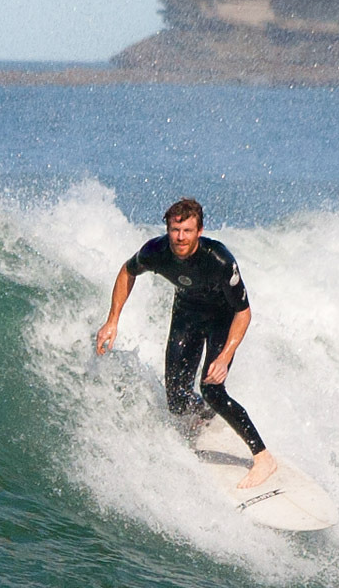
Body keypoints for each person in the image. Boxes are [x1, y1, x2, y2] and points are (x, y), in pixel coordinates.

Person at [95, 198, 278, 489]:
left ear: (200, 231)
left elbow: (244, 312)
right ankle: (204, 415)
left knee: (212, 388)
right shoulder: (156, 251)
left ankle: (263, 457)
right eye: (175, 230)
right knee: (176, 399)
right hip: (187, 314)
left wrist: (225, 355)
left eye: (187, 231)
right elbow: (128, 271)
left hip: (222, 318)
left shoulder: (219, 260)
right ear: (168, 229)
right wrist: (112, 319)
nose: (180, 237)